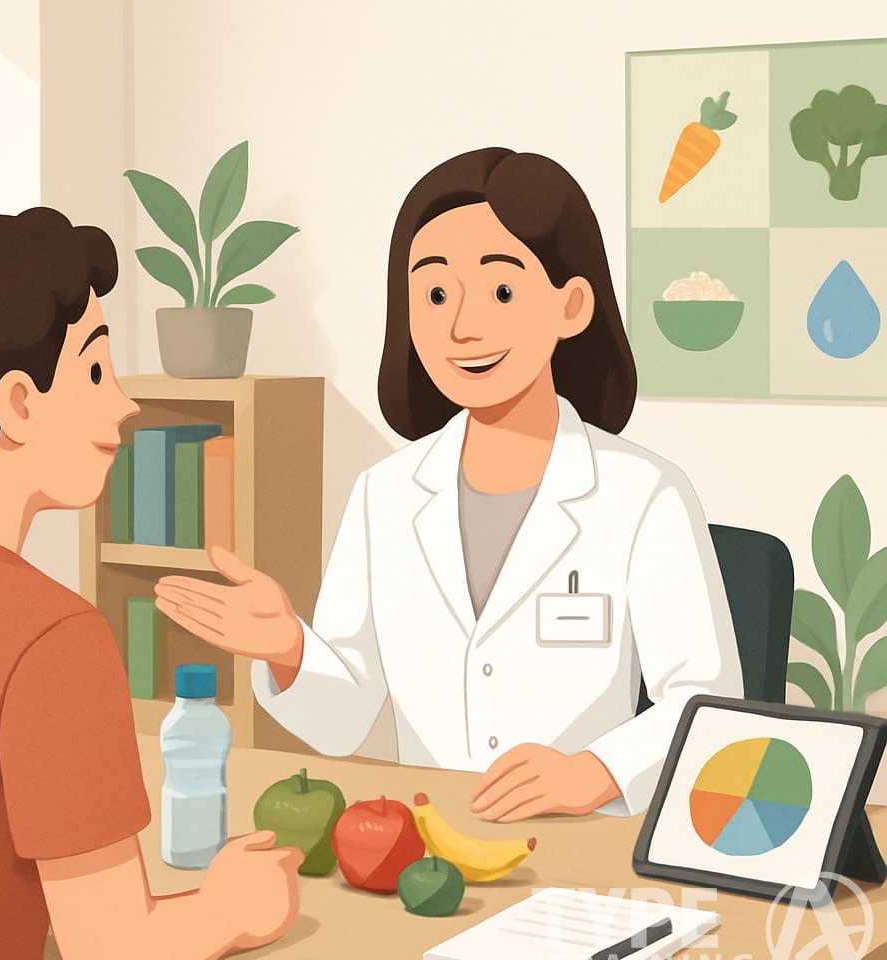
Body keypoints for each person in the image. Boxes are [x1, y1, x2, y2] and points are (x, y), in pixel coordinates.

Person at [154, 148, 744, 820]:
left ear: (571, 305)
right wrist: (290, 648)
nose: (462, 327)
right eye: (435, 294)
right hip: (432, 847)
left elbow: (709, 704)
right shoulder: (384, 495)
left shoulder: (645, 494)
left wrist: (596, 772)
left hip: (585, 849)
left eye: (500, 290)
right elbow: (346, 715)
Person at [0, 208, 303, 960]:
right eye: (97, 374)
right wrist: (235, 906)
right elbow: (109, 958)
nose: (128, 406)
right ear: (19, 404)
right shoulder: (49, 639)